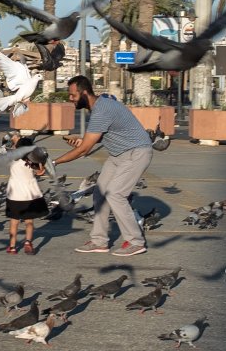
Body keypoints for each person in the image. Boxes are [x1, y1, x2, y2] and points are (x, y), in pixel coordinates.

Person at [54, 75, 155, 257]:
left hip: (136, 153)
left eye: (72, 95)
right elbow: (96, 137)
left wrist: (54, 162)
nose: (70, 99)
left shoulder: (101, 109)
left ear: (84, 93)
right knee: (99, 193)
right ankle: (99, 241)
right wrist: (82, 142)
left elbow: (84, 150)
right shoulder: (99, 106)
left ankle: (135, 242)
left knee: (116, 194)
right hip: (118, 155)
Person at [4, 148, 52, 254]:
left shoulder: (13, 159)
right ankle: (28, 243)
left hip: (15, 195)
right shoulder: (32, 162)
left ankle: (12, 247)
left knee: (14, 222)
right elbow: (41, 172)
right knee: (29, 222)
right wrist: (41, 163)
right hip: (29, 195)